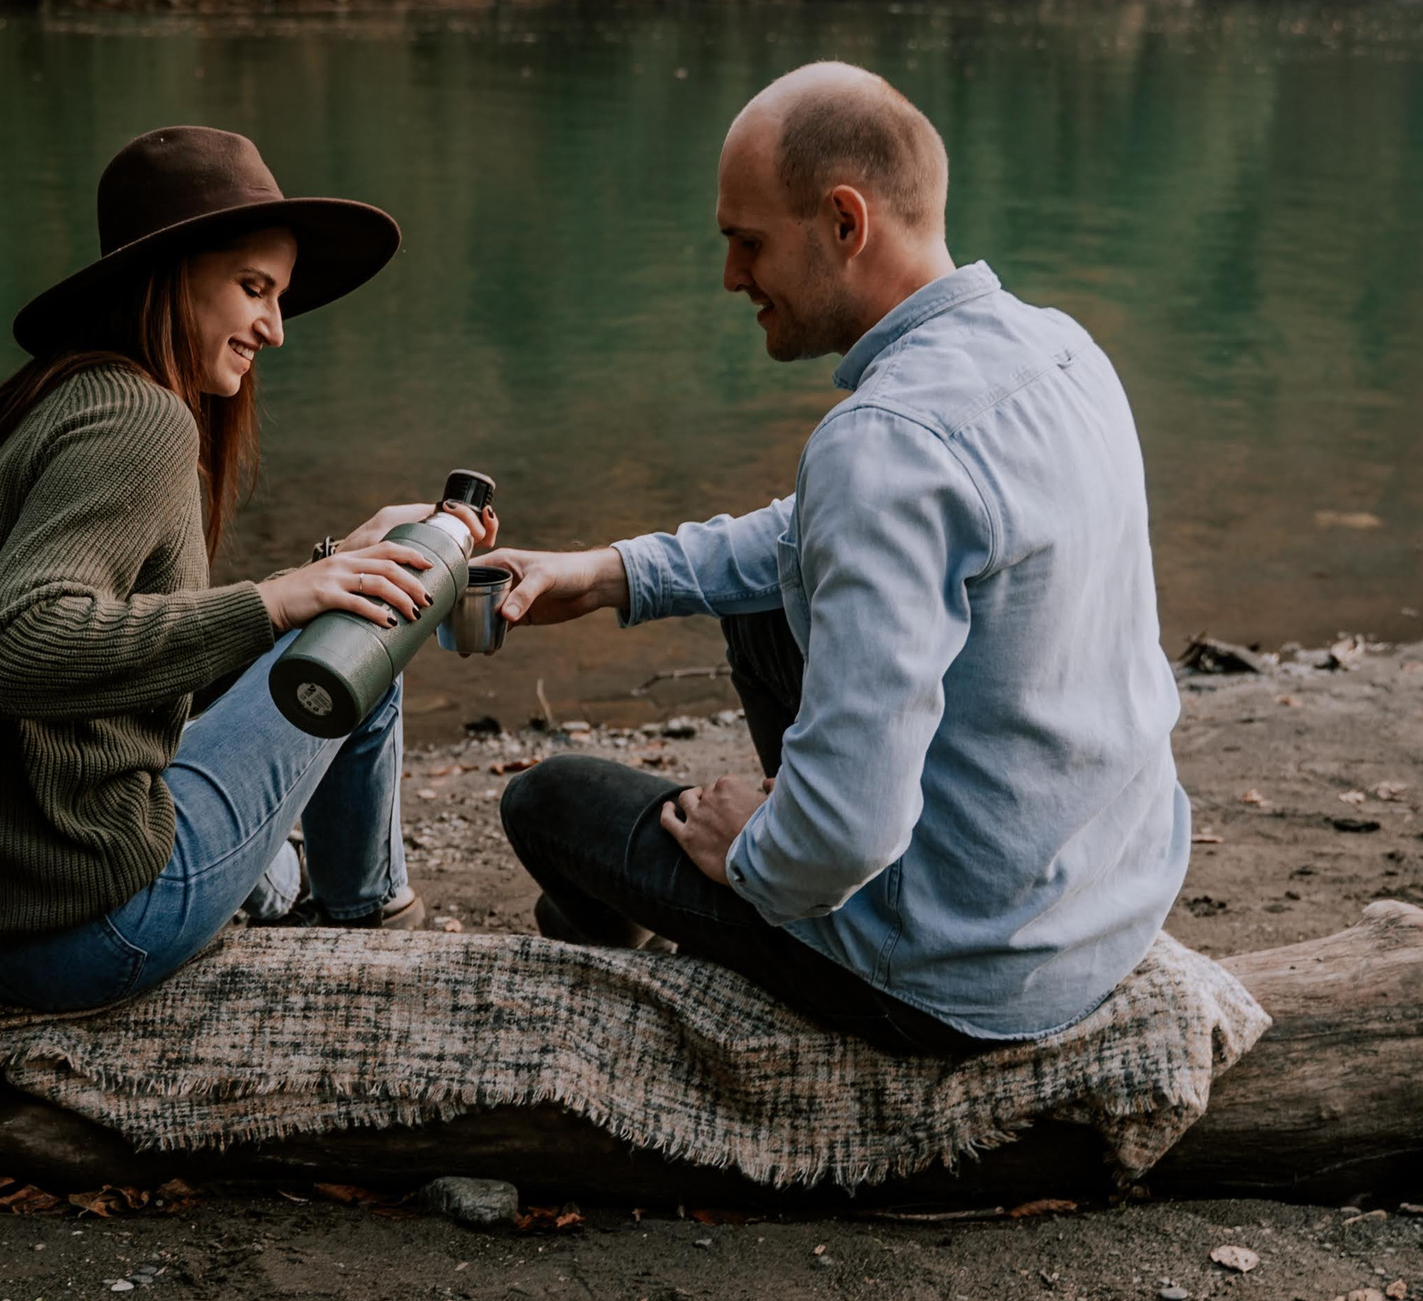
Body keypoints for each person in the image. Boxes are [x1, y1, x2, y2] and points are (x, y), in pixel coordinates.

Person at [480, 62, 1188, 1055]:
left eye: (747, 243)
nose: (731, 278)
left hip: (954, 977)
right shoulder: (1057, 349)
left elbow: (848, 835)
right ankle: (774, 872)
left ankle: (641, 976)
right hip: (1104, 901)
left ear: (844, 223)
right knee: (768, 599)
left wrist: (758, 854)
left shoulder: (883, 442)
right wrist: (607, 576)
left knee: (547, 803)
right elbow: (818, 534)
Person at [0, 125, 493, 1012]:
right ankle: (365, 925)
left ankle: (276, 882)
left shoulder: (46, 399)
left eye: (280, 298)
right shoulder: (141, 420)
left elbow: (140, 650)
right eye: (253, 289)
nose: (273, 329)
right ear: (167, 275)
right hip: (66, 932)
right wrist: (281, 603)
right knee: (366, 639)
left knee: (346, 602)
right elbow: (9, 648)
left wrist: (329, 566)